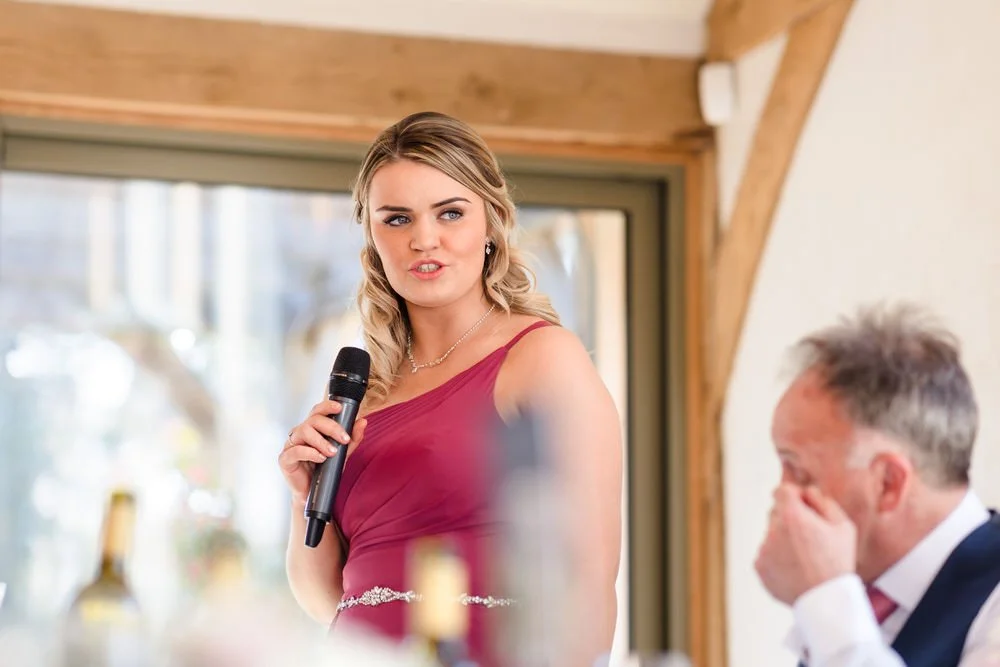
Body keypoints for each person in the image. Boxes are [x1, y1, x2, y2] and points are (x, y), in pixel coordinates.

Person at [278, 111, 623, 666]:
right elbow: (328, 602)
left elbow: (588, 580)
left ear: (490, 223)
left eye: (450, 213)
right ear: (372, 237)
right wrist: (302, 497)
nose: (424, 239)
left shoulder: (541, 358)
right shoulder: (364, 390)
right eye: (396, 219)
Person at [755, 303, 1000, 667]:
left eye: (799, 472)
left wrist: (825, 599)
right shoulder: (864, 598)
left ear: (888, 484)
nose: (782, 496)